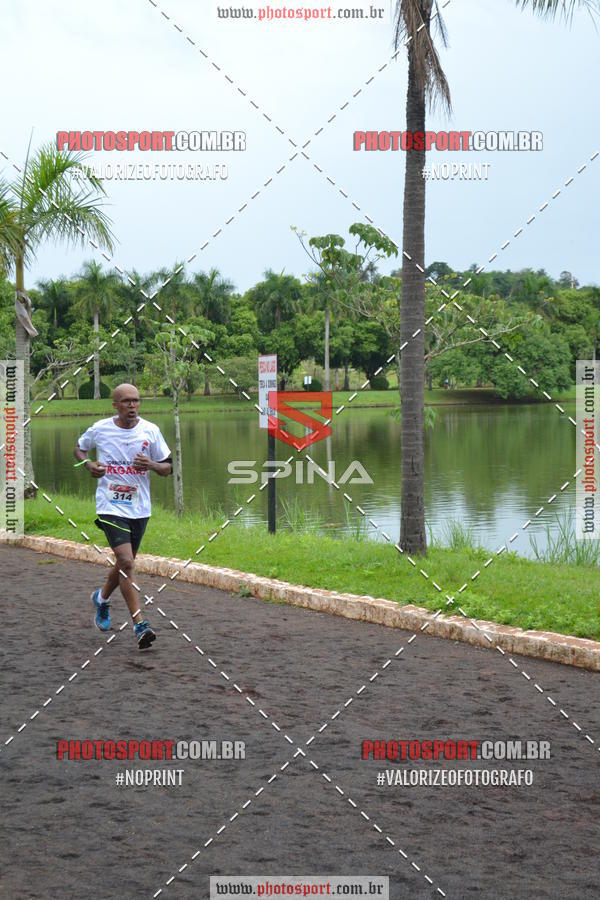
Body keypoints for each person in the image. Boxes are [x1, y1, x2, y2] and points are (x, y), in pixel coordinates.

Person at [74, 384, 173, 649]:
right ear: (115, 405)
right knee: (127, 562)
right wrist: (88, 465)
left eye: (136, 401)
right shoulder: (101, 429)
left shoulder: (151, 431)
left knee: (123, 564)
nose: (132, 406)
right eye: (126, 401)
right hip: (110, 506)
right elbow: (79, 449)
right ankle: (140, 624)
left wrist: (151, 465)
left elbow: (168, 468)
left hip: (140, 509)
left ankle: (101, 598)